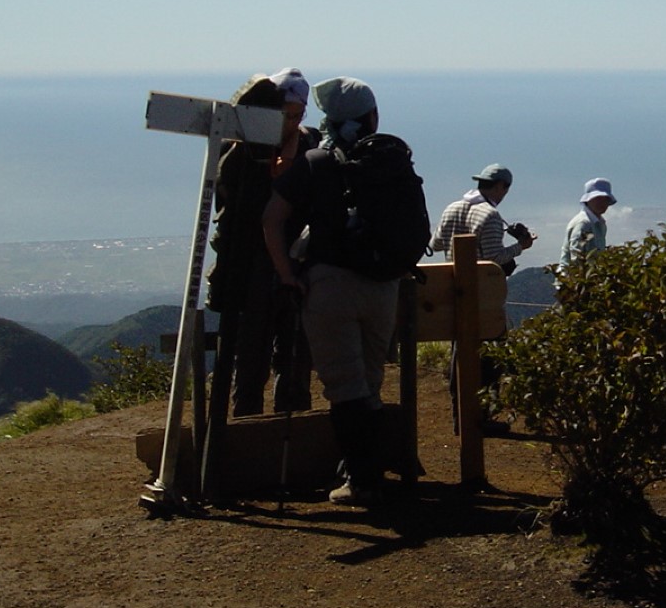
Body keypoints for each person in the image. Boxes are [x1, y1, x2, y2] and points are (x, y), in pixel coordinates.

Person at [263, 76, 400, 507]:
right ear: (372, 118)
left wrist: (287, 274)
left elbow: (271, 220)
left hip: (329, 285)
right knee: (371, 382)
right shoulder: (392, 160)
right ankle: (368, 473)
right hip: (384, 286)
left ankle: (361, 482)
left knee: (344, 387)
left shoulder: (315, 162)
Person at [206, 68, 316, 418]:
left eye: (296, 115)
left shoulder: (310, 146)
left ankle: (293, 428)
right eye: (284, 114)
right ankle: (244, 426)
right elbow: (230, 196)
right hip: (252, 265)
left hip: (297, 265)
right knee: (251, 353)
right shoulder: (241, 149)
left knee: (296, 353)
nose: (290, 122)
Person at [431, 164, 535, 433]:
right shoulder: (489, 214)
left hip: (453, 292)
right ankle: (481, 418)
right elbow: (493, 258)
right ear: (500, 186)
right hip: (481, 296)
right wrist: (520, 247)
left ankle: (460, 417)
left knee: (460, 354)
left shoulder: (453, 207)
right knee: (489, 359)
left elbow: (437, 244)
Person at [558, 177, 616, 271]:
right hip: (574, 280)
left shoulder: (600, 224)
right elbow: (577, 258)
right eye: (598, 198)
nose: (602, 203)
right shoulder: (584, 223)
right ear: (588, 200)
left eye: (606, 199)